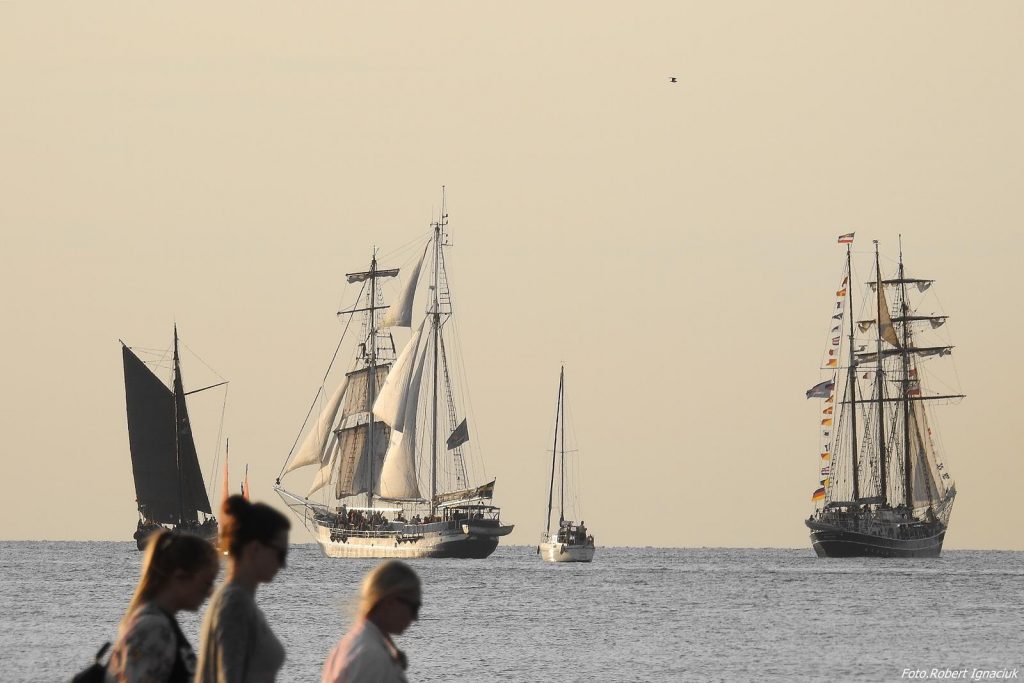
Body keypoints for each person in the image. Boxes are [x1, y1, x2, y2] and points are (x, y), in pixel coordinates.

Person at [196, 495, 290, 683]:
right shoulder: (235, 604)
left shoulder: (238, 599)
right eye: (280, 554)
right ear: (255, 549)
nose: (283, 564)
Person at [105, 530, 219, 683]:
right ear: (180, 576)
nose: (210, 593)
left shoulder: (160, 623)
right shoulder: (152, 629)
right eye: (207, 584)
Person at [321, 560, 421, 683]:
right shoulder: (371, 656)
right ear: (390, 602)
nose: (415, 618)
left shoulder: (348, 645)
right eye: (414, 607)